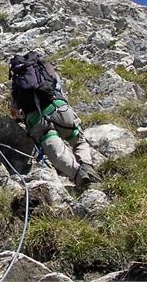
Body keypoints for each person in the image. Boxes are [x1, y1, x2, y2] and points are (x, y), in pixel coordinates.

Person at [9, 51, 101, 190]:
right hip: (61, 110)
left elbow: (14, 113)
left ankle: (80, 177)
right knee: (78, 140)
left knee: (58, 154)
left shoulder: (18, 83)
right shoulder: (46, 69)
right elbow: (59, 90)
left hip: (38, 121)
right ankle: (87, 168)